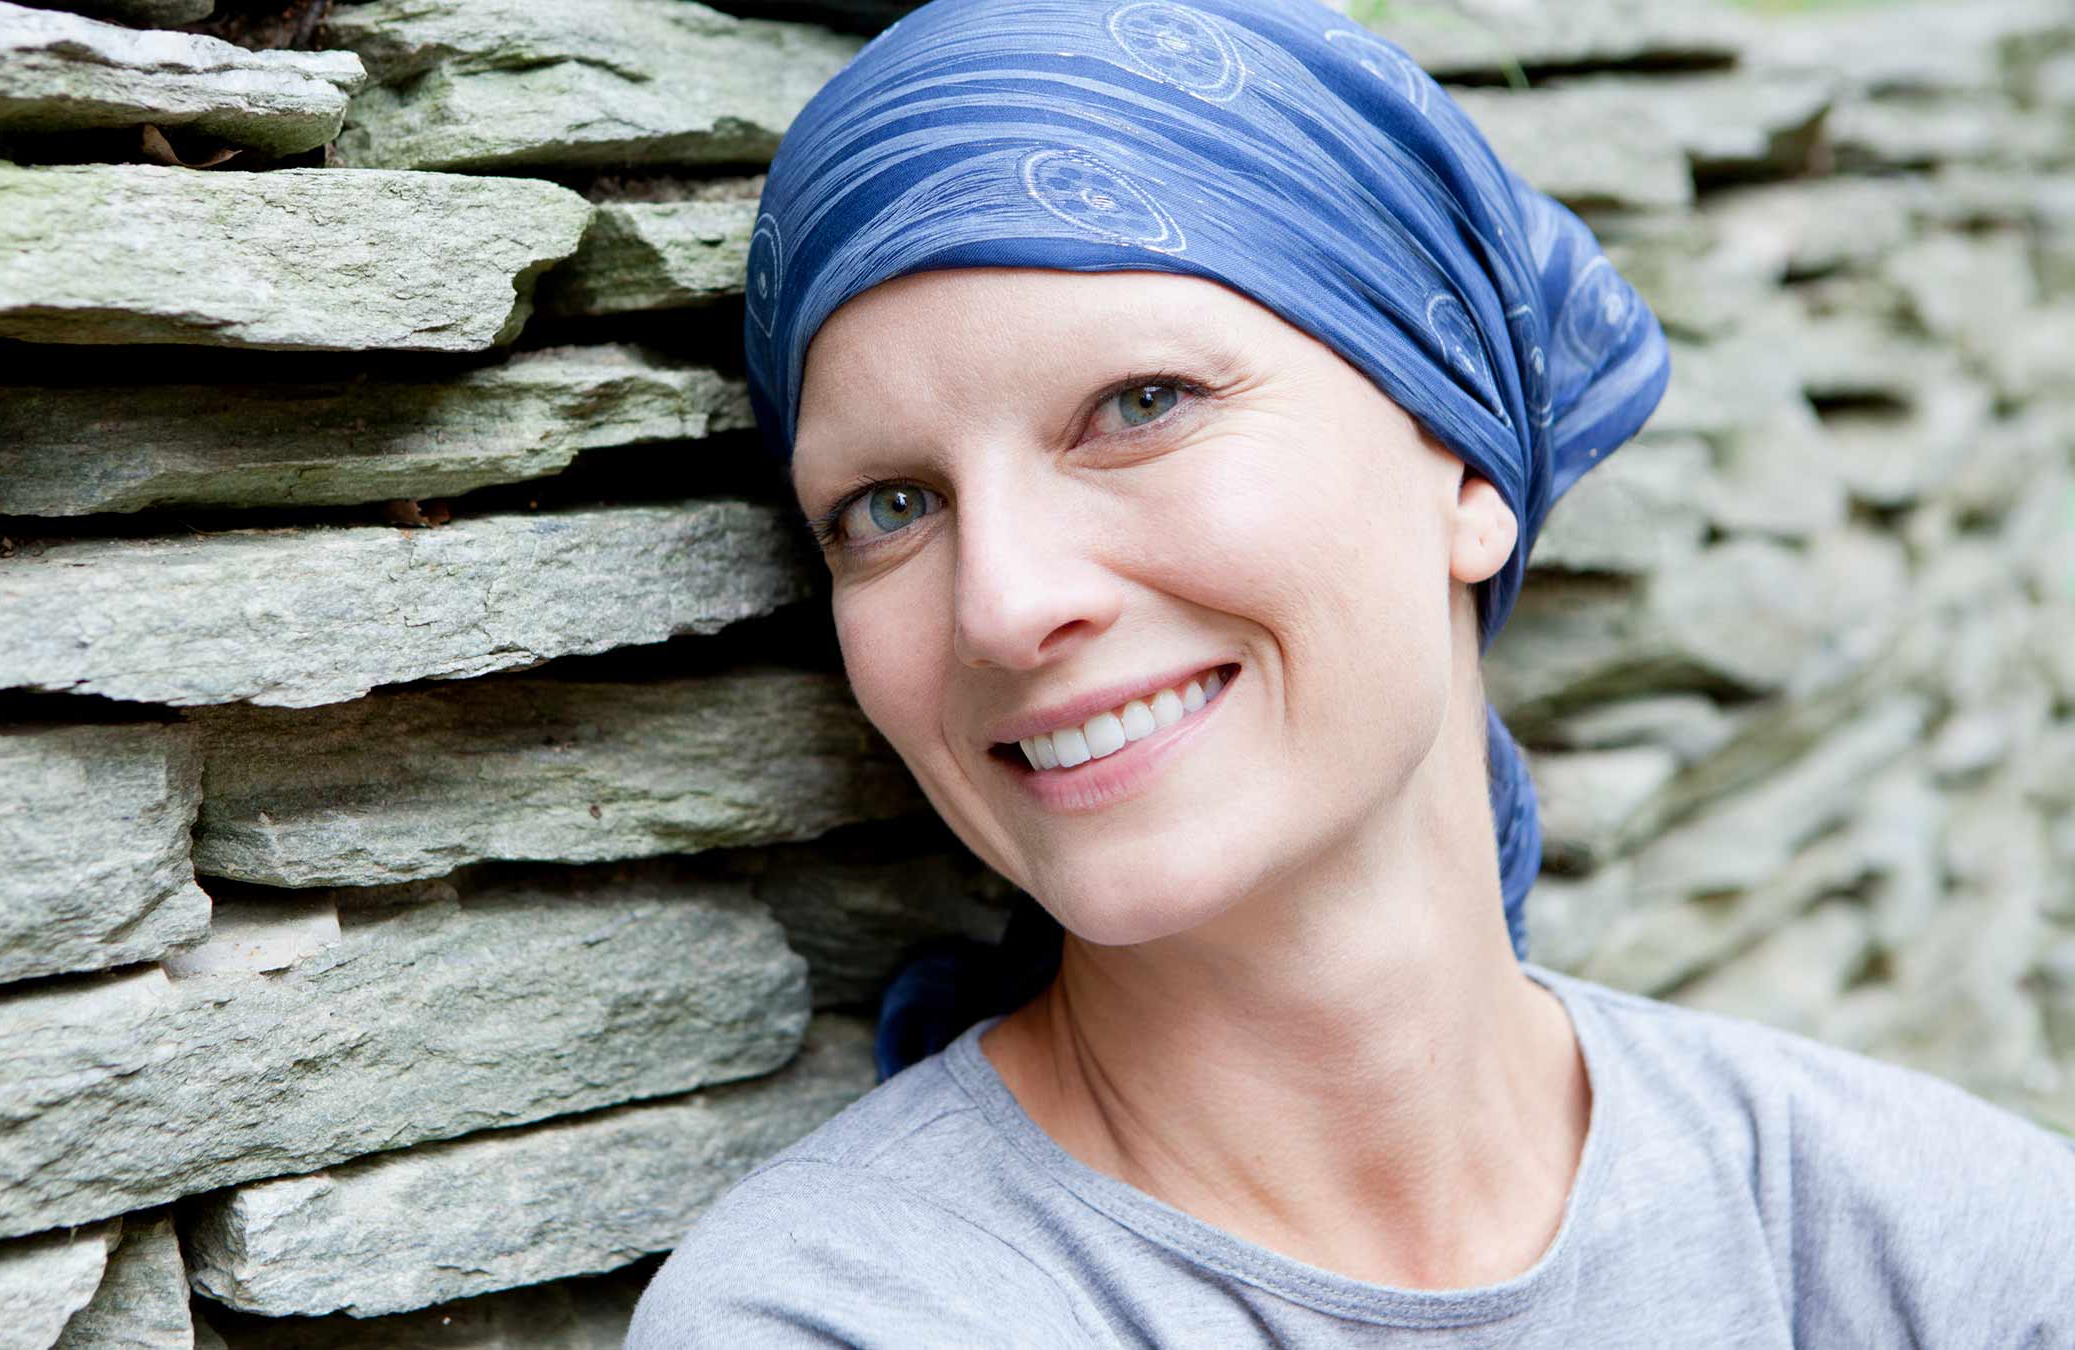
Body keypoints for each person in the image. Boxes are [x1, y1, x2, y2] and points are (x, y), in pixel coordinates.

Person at [625, 0, 2075, 1343]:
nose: (1003, 605)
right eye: (889, 506)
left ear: (1461, 462)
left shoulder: (1942, 1244)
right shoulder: (836, 1316)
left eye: (1141, 404)